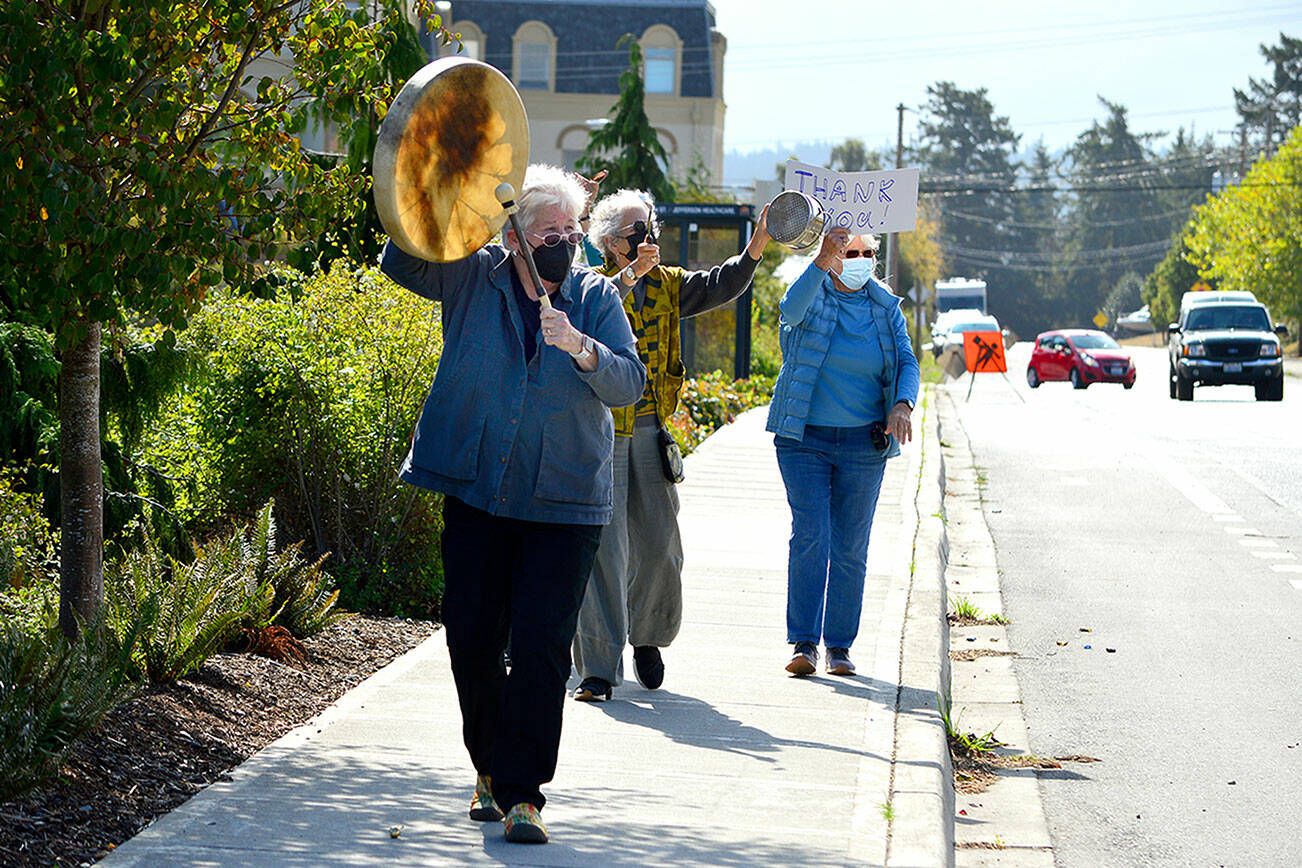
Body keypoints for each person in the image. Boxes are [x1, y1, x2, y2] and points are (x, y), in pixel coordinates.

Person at [379, 164, 645, 844]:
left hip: (564, 501)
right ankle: (491, 769)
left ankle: (522, 793)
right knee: (471, 636)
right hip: (478, 490)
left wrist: (580, 348)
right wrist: (440, 185)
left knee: (539, 648)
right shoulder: (473, 278)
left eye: (573, 229)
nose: (565, 240)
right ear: (513, 234)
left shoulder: (594, 298)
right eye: (549, 229)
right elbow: (401, 255)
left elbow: (628, 383)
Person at [570, 189, 773, 701]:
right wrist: (630, 276)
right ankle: (597, 666)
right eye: (638, 232)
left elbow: (718, 285)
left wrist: (756, 246)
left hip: (649, 428)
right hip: (600, 429)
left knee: (661, 545)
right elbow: (588, 312)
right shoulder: (596, 286)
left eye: (651, 228)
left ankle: (649, 638)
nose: (649, 239)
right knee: (604, 551)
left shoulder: (670, 285)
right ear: (613, 243)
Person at [766, 227, 919, 678]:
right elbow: (788, 311)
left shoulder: (885, 308)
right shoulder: (811, 292)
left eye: (864, 252)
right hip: (804, 440)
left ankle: (839, 647)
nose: (855, 258)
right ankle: (804, 643)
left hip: (863, 444)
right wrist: (819, 259)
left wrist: (902, 403)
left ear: (875, 256)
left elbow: (907, 361)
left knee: (851, 548)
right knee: (813, 534)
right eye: (847, 250)